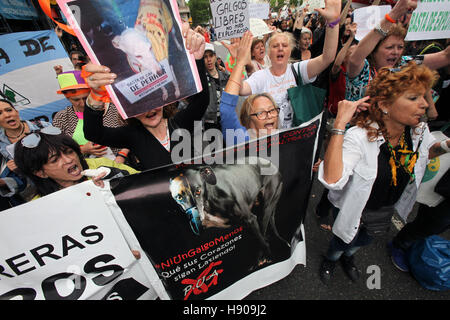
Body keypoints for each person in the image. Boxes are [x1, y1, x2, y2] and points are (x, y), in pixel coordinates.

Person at [317, 62, 450, 283]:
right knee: (342, 241)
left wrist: (445, 146)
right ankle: (331, 259)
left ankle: (348, 258)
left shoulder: (418, 132)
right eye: (413, 98)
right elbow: (332, 180)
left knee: (363, 241)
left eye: (424, 98)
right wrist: (340, 123)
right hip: (355, 210)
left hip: (385, 209)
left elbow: (426, 153)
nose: (425, 104)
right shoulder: (358, 137)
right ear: (385, 104)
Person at [82, 22, 209, 171]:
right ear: (130, 111)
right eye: (141, 105)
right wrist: (97, 94)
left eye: (153, 100)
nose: (149, 109)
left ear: (164, 100)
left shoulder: (179, 123)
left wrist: (198, 60)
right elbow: (93, 133)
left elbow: (202, 100)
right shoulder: (132, 136)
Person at [238, 0, 342, 129]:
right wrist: (239, 61)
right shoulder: (260, 76)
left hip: (297, 139)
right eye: (275, 46)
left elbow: (328, 57)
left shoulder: (298, 70)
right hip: (272, 140)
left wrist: (333, 23)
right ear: (269, 53)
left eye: (285, 45)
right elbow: (240, 89)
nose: (280, 48)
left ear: (289, 51)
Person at [345, 0, 450, 103]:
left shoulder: (402, 65)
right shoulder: (363, 69)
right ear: (373, 50)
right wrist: (394, 14)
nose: (396, 52)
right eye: (389, 47)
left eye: (400, 47)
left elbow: (445, 56)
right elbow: (355, 58)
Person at [13, 127, 139, 199]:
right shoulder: (41, 205)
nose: (68, 160)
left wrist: (122, 178)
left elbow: (146, 181)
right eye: (55, 160)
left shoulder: (100, 164)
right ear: (41, 173)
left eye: (68, 152)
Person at [52, 70, 129, 163]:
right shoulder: (62, 118)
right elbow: (57, 148)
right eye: (76, 100)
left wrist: (121, 155)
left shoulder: (114, 108)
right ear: (67, 98)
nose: (82, 103)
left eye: (85, 98)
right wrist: (82, 150)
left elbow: (133, 132)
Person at [220, 32, 279, 146]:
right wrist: (240, 62)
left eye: (272, 110)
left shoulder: (287, 139)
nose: (269, 116)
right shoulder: (243, 141)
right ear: (249, 119)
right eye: (261, 113)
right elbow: (226, 110)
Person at [0, 99, 52, 207]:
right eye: (0, 113)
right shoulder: (1, 145)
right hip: (39, 196)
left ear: (16, 112)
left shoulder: (42, 126)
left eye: (9, 110)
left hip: (64, 180)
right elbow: (18, 182)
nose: (6, 115)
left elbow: (67, 151)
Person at [203, 43, 229, 131]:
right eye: (205, 57)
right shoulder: (202, 80)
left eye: (211, 56)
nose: (209, 59)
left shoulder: (225, 76)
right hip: (210, 124)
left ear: (215, 57)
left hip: (226, 120)